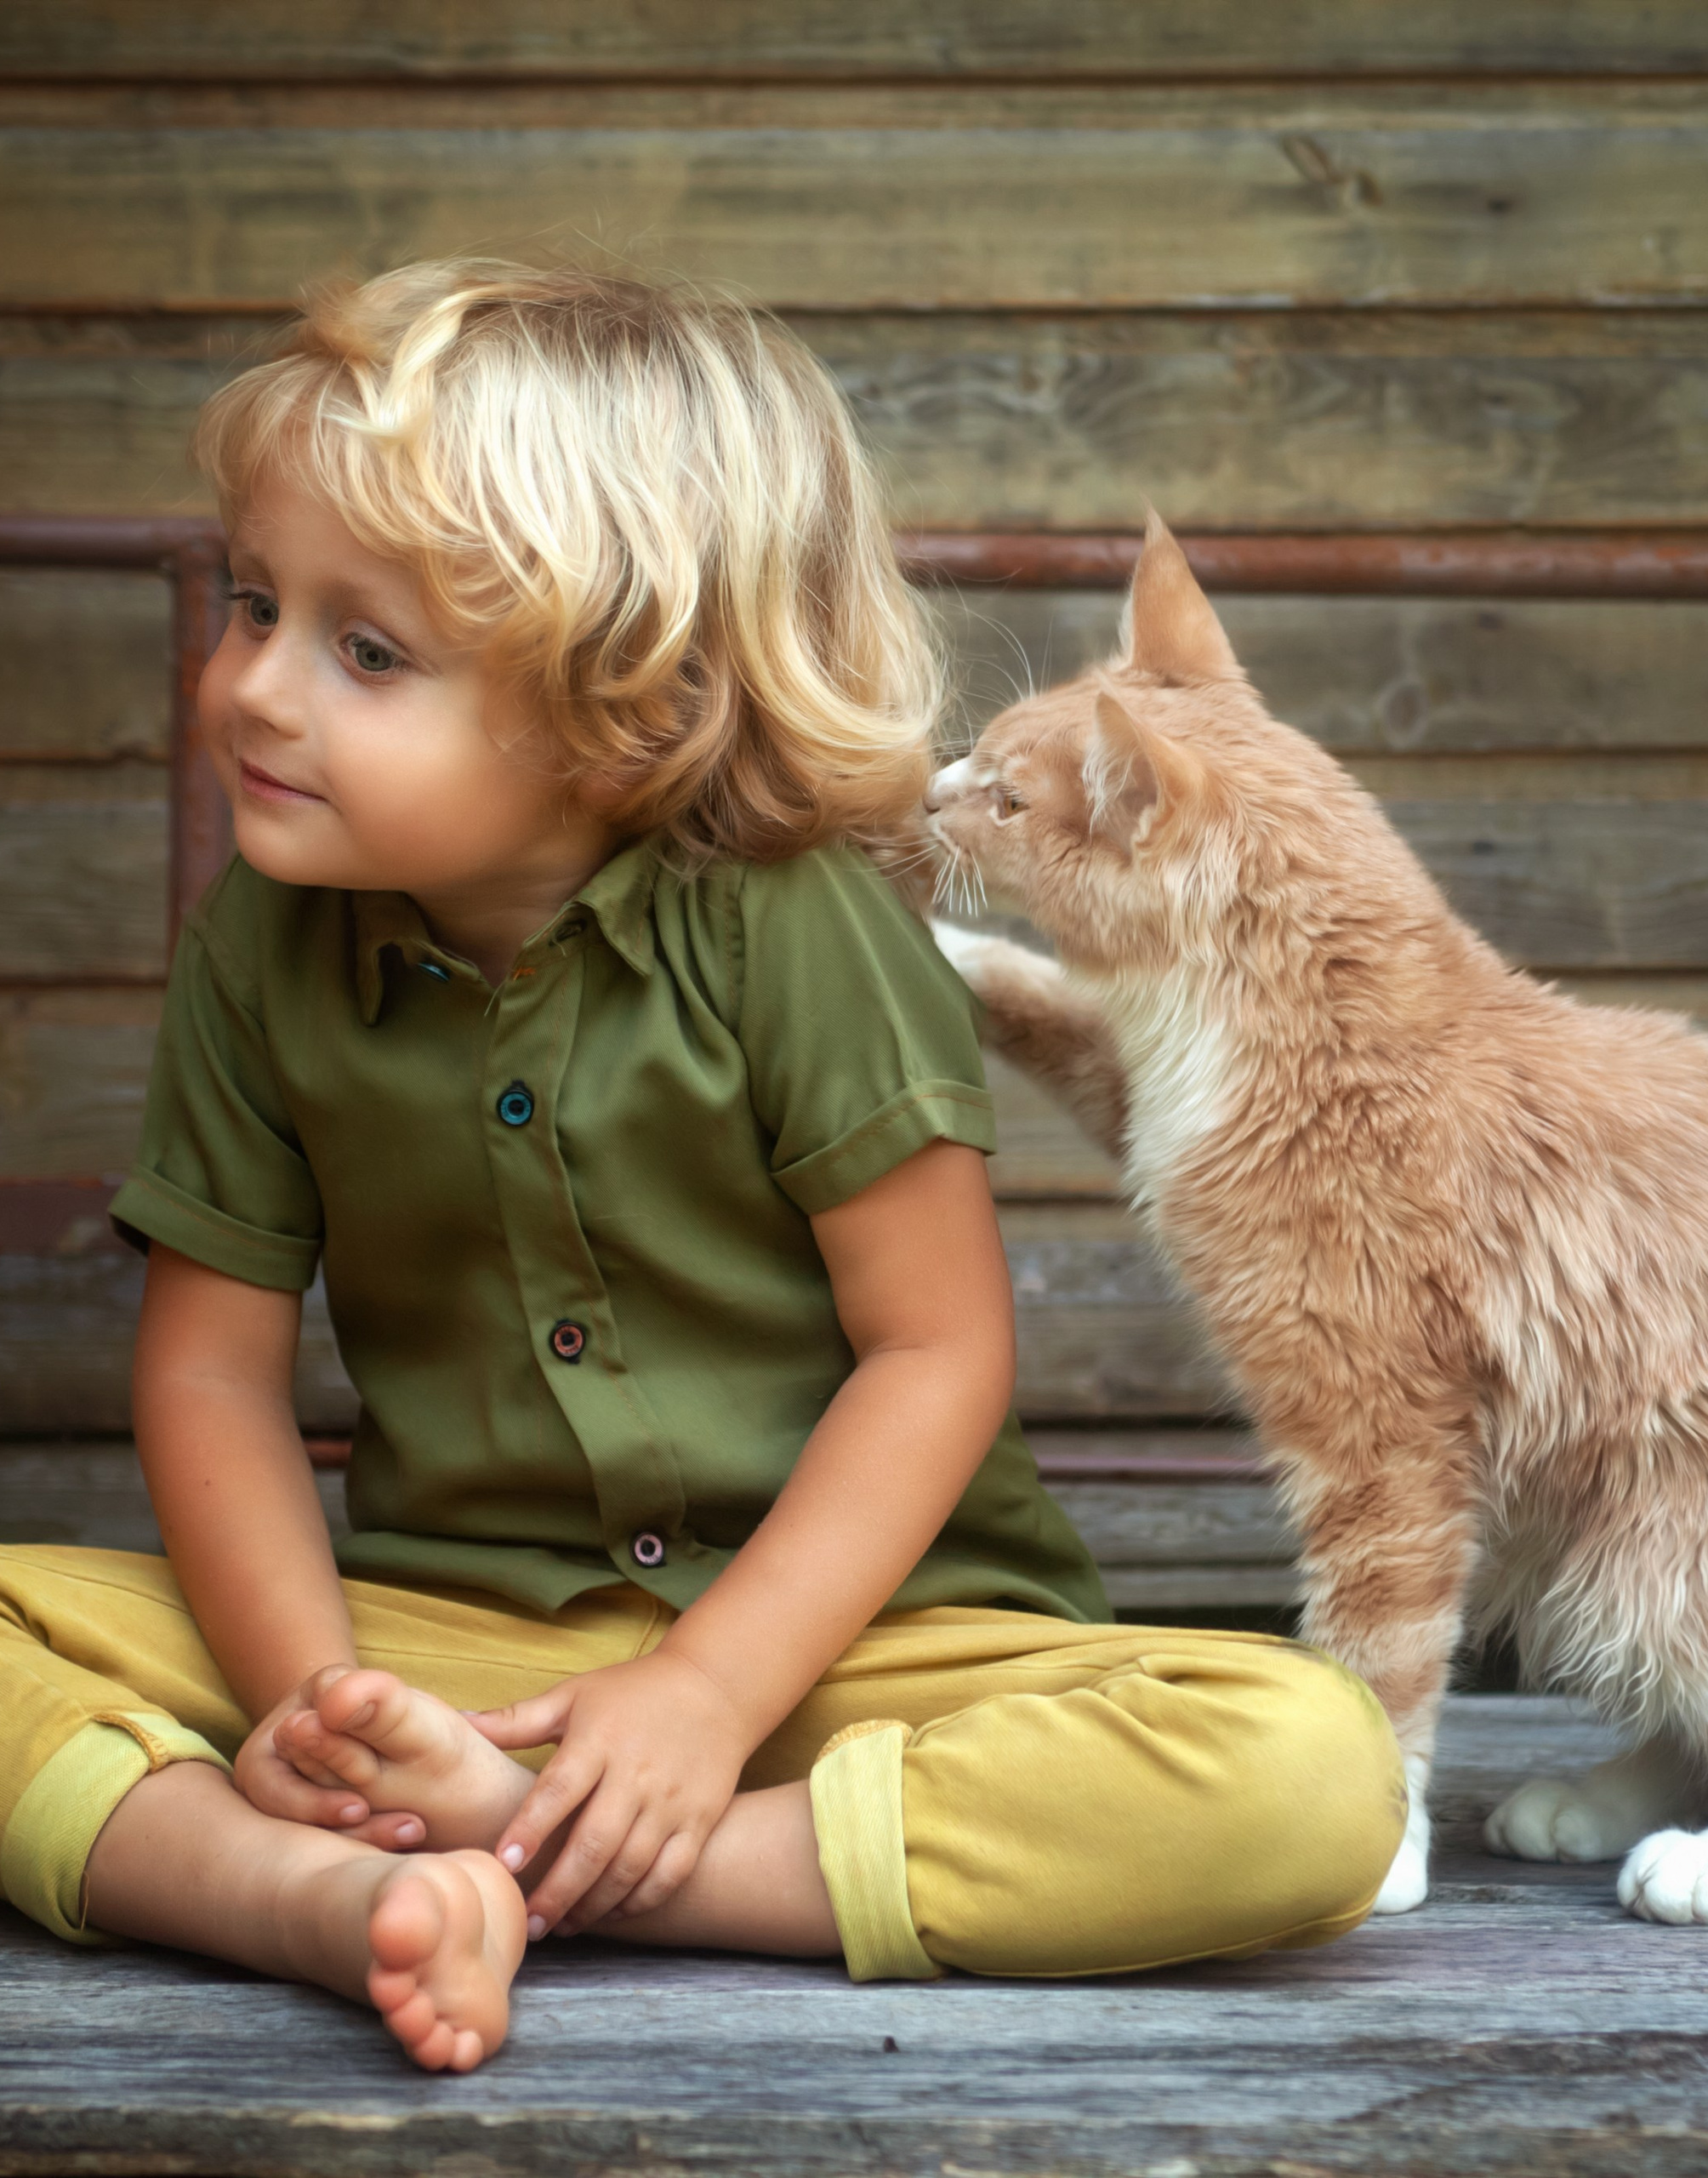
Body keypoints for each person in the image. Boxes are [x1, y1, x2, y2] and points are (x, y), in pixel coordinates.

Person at [0, 263, 1405, 2072]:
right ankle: (312, 1886)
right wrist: (322, 1707)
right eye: (257, 602)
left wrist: (702, 1693)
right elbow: (209, 1377)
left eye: (367, 651)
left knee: (1309, 1772)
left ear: (626, 709)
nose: (254, 686)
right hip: (449, 1645)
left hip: (847, 1654)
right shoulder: (258, 953)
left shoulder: (793, 927)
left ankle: (613, 1864)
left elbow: (936, 1350)